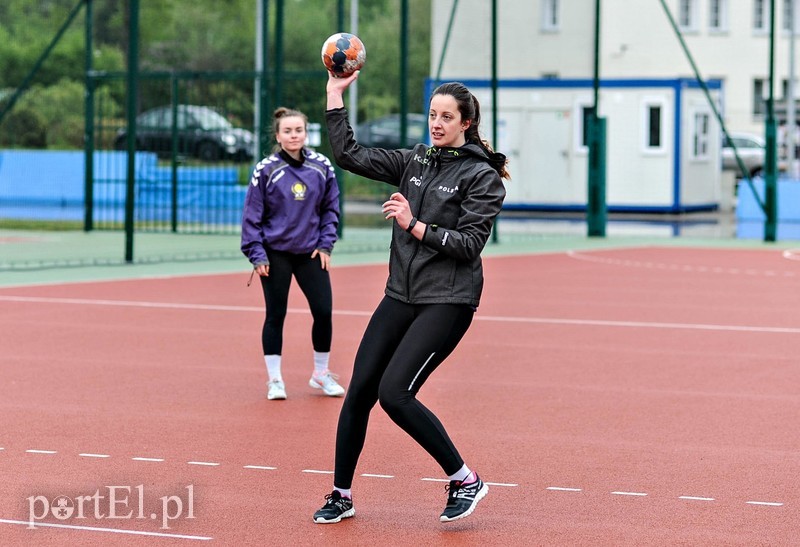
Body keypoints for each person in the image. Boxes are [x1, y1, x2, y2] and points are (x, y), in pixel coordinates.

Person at [313, 73, 509, 524]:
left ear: (467, 122)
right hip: (400, 294)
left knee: (395, 393)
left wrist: (413, 224)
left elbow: (468, 245)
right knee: (360, 390)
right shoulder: (416, 160)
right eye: (432, 115)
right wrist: (334, 95)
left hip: (448, 301)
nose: (436, 124)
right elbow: (349, 154)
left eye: (446, 117)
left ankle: (465, 479)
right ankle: (341, 494)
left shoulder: (482, 177)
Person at [241, 106, 346, 401]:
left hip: (310, 252)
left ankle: (320, 374)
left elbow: (330, 209)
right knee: (276, 314)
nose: (293, 135)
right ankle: (275, 379)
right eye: (287, 131)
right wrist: (257, 254)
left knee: (323, 311)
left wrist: (326, 244)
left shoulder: (322, 166)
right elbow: (252, 215)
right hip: (275, 254)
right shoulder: (266, 169)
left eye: (298, 130)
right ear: (278, 135)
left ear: (306, 132)